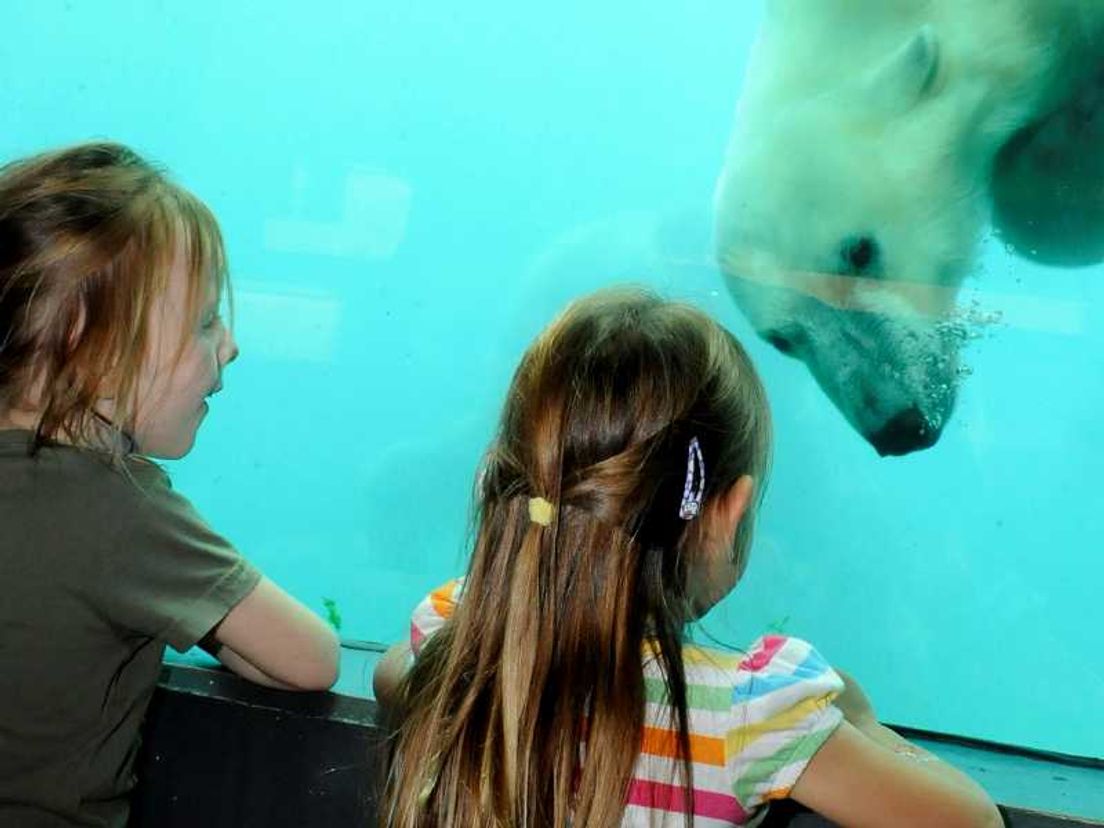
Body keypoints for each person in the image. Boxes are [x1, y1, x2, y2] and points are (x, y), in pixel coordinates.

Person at [374, 289, 1002, 827]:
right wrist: (862, 722)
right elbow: (971, 819)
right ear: (729, 513)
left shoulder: (449, 644)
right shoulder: (747, 713)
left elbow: (392, 677)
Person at [0, 142, 340, 827]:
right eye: (205, 321)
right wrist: (194, 608)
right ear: (83, 340)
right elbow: (309, 659)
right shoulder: (113, 506)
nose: (231, 344)